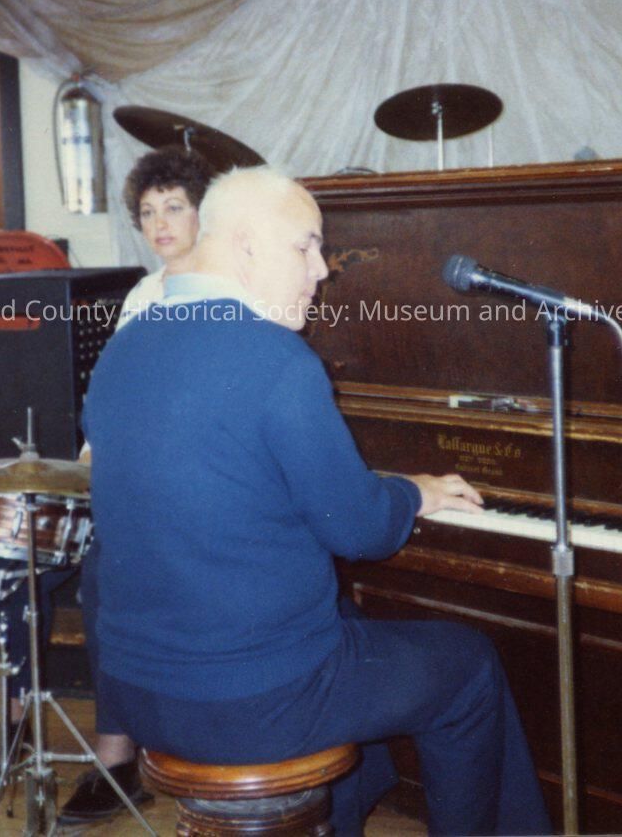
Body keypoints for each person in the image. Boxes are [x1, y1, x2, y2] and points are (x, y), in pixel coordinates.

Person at [81, 167, 551, 835]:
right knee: (468, 666)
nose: (322, 270)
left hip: (137, 694)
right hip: (250, 701)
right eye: (305, 245)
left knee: (349, 626)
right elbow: (360, 531)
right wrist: (413, 492)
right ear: (245, 245)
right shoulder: (277, 358)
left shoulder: (123, 348)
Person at [0, 147, 212, 787]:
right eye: (148, 212)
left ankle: (117, 755)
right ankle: (10, 715)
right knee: (15, 554)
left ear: (204, 214)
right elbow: (115, 395)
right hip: (116, 474)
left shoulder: (219, 294)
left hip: (171, 493)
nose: (160, 224)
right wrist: (85, 463)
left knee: (104, 581)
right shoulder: (144, 293)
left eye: (174, 207)